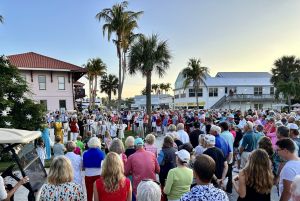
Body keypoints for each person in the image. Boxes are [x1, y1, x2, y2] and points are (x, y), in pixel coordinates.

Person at [83, 137, 105, 201]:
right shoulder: (101, 153)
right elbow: (103, 165)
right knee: (99, 193)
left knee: (89, 193)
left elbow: (83, 166)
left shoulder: (85, 153)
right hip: (98, 175)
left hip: (88, 175)